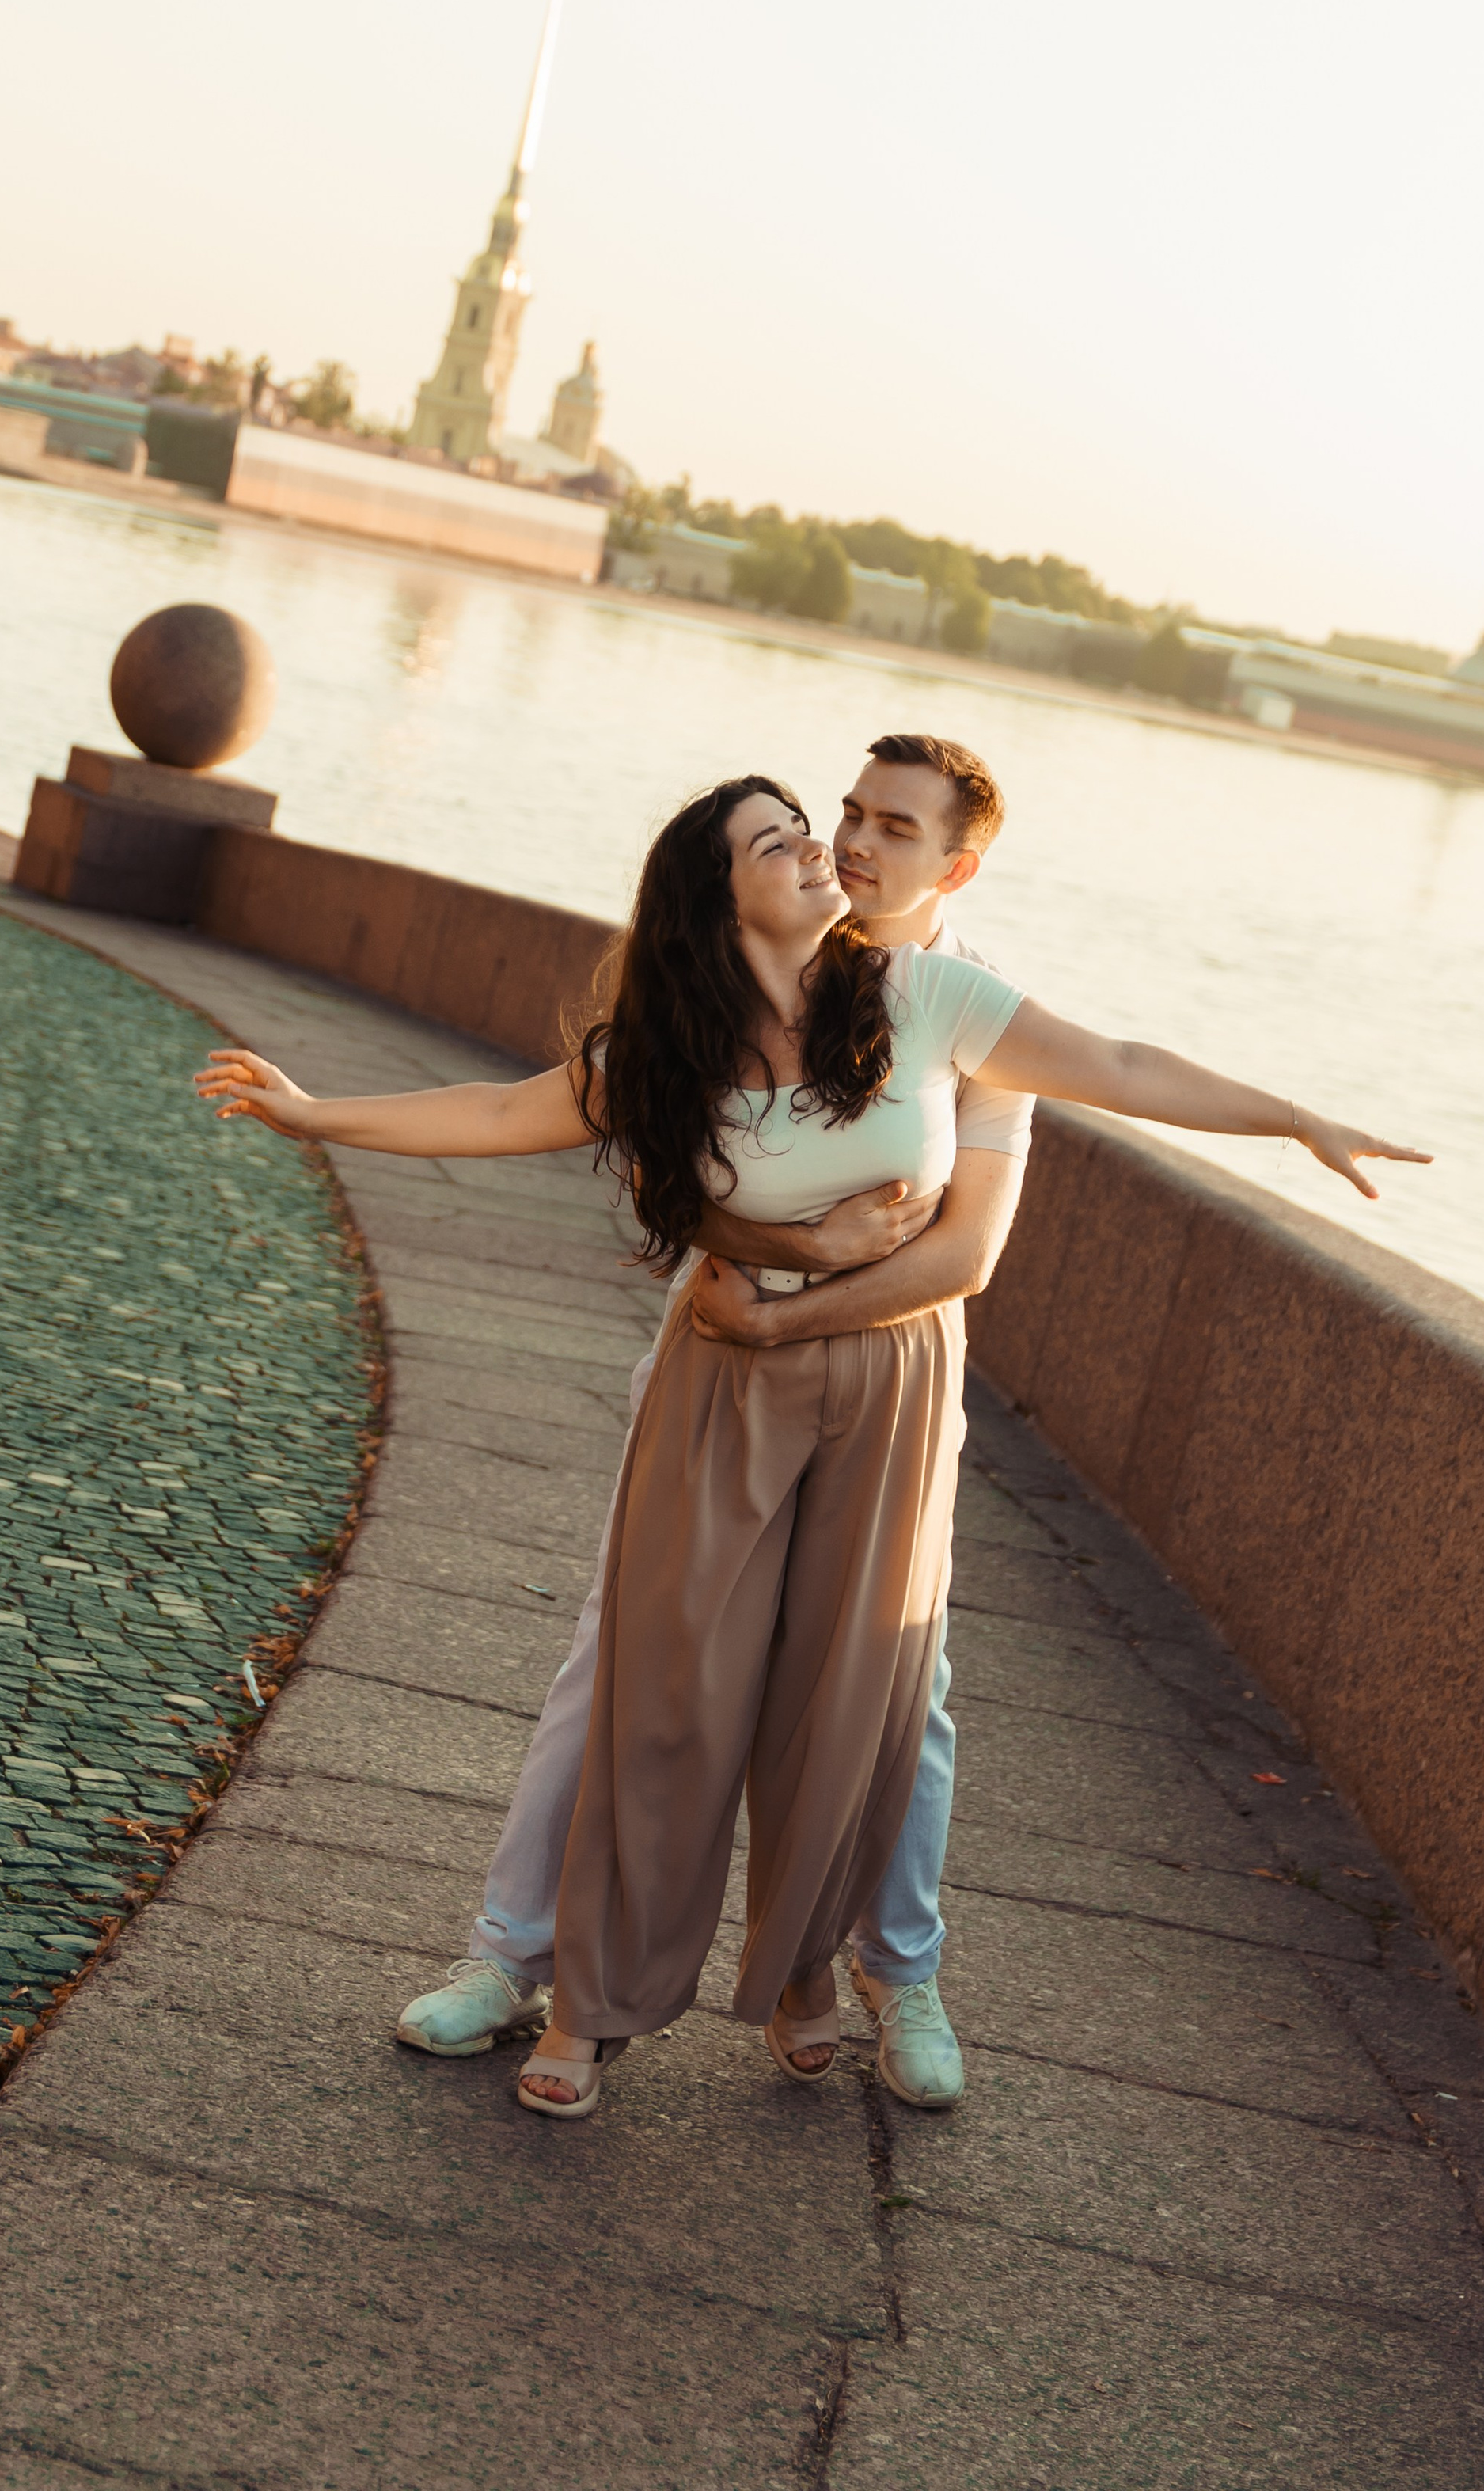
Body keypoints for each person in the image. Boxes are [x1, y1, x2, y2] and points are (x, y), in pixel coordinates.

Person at [195, 769, 1425, 2121]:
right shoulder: (669, 1048)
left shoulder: (931, 999)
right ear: (716, 898)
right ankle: (569, 1984)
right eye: (785, 837)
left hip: (885, 1373)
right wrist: (317, 1114)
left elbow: (1114, 1073)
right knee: (657, 1679)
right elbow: (499, 1110)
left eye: (827, 829)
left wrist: (1292, 1114)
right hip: (719, 1373)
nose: (822, 846)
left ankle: (820, 1977)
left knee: (859, 1695)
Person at [397, 731, 1030, 2111]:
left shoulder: (970, 1011)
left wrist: (801, 1306)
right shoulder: (756, 972)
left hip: (886, 1382)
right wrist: (754, 1272)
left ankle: (888, 1965)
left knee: (900, 1688)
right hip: (717, 1358)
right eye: (846, 813)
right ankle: (514, 1956)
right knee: (616, 1658)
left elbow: (965, 1248)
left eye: (895, 829)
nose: (856, 843)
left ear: (957, 862)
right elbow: (663, 1161)